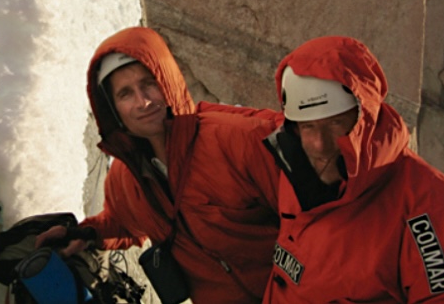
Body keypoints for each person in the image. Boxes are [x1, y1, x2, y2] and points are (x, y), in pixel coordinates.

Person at [46, 26, 281, 303]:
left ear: (167, 81)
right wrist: (87, 233)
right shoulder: (126, 177)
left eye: (149, 83)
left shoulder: (236, 141)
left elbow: (313, 218)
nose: (142, 101)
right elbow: (124, 222)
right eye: (125, 94)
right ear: (113, 110)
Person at [260, 36, 444, 303]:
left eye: (335, 123)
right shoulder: (292, 163)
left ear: (364, 118)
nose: (320, 145)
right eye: (308, 126)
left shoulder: (433, 210)